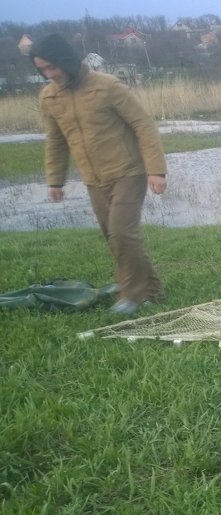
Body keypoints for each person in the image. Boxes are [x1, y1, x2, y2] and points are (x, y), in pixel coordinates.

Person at [30, 33, 167, 314]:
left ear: (65, 60)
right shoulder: (49, 96)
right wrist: (55, 180)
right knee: (113, 236)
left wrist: (156, 170)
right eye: (43, 69)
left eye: (52, 66)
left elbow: (143, 125)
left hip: (128, 171)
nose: (49, 74)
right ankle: (152, 288)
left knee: (121, 233)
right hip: (94, 179)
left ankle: (131, 295)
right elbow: (56, 140)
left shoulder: (107, 86)